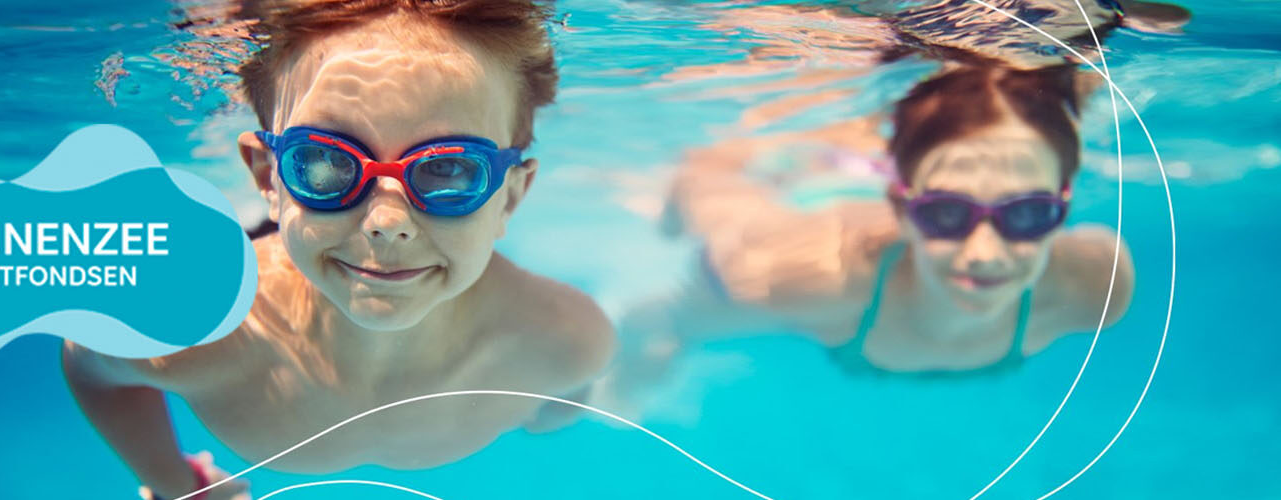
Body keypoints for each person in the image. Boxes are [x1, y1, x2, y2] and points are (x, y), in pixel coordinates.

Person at [63, 2, 614, 498]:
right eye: (325, 161)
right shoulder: (188, 327)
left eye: (449, 167)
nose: (387, 222)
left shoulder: (565, 341)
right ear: (268, 178)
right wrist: (177, 487)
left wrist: (546, 410)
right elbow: (88, 363)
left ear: (510, 198)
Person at [600, 63, 1135, 411]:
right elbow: (703, 187)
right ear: (902, 209)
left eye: (1027, 214)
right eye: (946, 214)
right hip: (810, 237)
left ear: (1062, 207)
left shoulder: (1097, 287)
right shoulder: (796, 277)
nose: (985, 252)